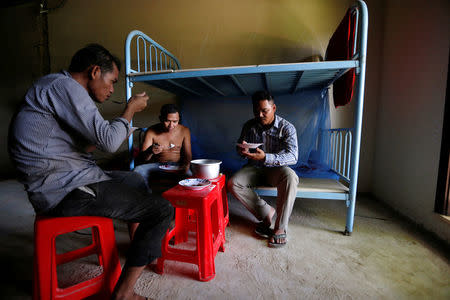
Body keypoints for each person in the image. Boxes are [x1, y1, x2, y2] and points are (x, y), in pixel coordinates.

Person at [8, 43, 173, 300]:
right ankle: (124, 294)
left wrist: (120, 129)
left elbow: (89, 144)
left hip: (65, 179)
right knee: (162, 210)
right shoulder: (64, 87)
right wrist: (129, 110)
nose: (111, 90)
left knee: (136, 179)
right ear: (95, 71)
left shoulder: (57, 88)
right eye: (111, 81)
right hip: (62, 191)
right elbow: (107, 142)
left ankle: (137, 249)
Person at [227, 90, 299, 248]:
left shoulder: (287, 128)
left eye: (264, 110)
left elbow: (293, 156)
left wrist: (266, 157)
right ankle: (265, 213)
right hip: (254, 168)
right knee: (233, 183)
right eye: (256, 111)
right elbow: (241, 145)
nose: (259, 115)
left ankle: (280, 228)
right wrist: (242, 150)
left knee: (291, 176)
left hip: (275, 170)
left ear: (274, 108)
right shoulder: (249, 126)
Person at [133, 103, 192, 185]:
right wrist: (150, 151)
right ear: (161, 119)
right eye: (167, 121)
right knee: (138, 170)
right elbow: (143, 159)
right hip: (157, 166)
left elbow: (187, 154)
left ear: (179, 119)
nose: (171, 125)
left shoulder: (184, 131)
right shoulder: (151, 131)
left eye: (175, 121)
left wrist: (186, 165)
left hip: (178, 165)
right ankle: (145, 196)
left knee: (189, 176)